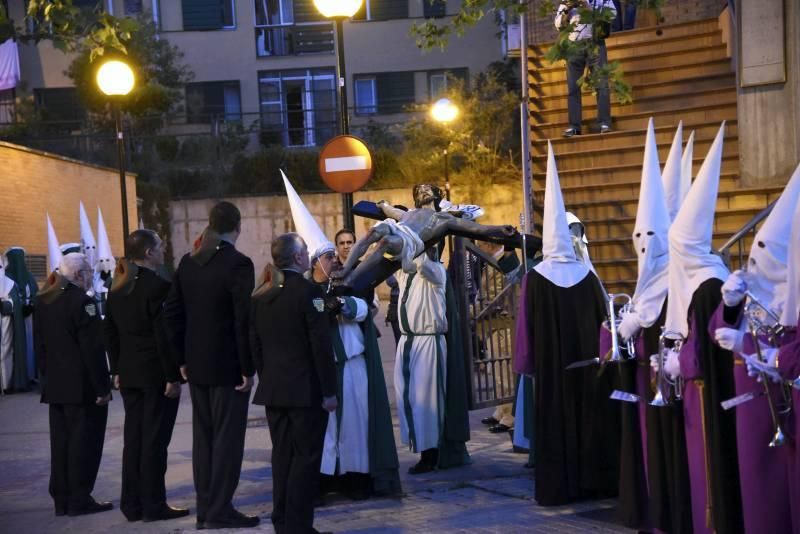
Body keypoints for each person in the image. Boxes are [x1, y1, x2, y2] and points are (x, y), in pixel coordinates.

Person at [281, 176, 400, 500]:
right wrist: (323, 306)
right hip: (323, 369)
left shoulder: (353, 281)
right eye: (329, 255)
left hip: (353, 364)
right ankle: (324, 480)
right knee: (327, 431)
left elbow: (365, 309)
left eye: (336, 254)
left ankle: (357, 478)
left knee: (356, 426)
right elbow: (307, 316)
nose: (336, 259)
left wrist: (344, 304)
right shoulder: (305, 290)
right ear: (315, 261)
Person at [514, 142, 618, 506]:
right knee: (590, 423)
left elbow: (526, 328)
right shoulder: (587, 275)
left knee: (558, 424)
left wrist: (527, 364)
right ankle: (594, 481)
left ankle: (561, 487)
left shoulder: (536, 278)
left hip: (554, 373)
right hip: (588, 371)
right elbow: (605, 322)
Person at [708, 162, 800, 534]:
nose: (757, 257)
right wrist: (729, 303)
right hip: (753, 408)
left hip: (780, 404)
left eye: (766, 250)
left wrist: (746, 343)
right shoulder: (751, 286)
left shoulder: (790, 295)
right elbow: (718, 330)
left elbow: (784, 348)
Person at [611, 119, 692, 532]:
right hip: (645, 385)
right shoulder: (645, 282)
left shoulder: (683, 277)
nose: (643, 242)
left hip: (675, 390)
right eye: (637, 234)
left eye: (650, 234)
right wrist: (626, 328)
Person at [663, 123, 743, 534]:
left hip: (707, 390)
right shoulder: (704, 274)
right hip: (698, 391)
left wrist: (683, 362)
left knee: (712, 468)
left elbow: (707, 340)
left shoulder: (707, 281)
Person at [163, 201, 258, 530]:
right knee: (228, 441)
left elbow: (172, 313)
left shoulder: (188, 263)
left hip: (197, 367)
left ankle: (206, 508)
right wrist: (248, 367)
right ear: (237, 227)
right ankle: (220, 509)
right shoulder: (239, 264)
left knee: (203, 441)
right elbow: (242, 319)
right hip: (229, 368)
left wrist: (181, 360)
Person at [250, 233, 338, 533]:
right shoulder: (308, 292)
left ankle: (282, 520)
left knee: (282, 457)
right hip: (305, 391)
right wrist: (329, 390)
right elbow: (320, 345)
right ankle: (298, 525)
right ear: (299, 258)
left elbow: (256, 345)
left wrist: (267, 377)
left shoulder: (262, 293)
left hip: (275, 389)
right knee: (305, 459)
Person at [104, 230, 189, 523]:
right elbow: (163, 336)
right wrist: (172, 376)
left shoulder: (117, 286)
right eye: (160, 246)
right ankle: (154, 505)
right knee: (154, 442)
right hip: (155, 374)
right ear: (150, 253)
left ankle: (132, 504)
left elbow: (110, 332)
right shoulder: (158, 286)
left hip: (129, 373)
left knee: (134, 440)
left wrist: (116, 369)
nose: (164, 249)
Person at [34, 253, 112, 517]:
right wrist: (102, 388)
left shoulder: (44, 300)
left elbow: (40, 346)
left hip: (56, 387)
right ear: (79, 275)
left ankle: (62, 498)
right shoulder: (83, 302)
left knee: (61, 443)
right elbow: (92, 350)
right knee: (84, 443)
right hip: (82, 389)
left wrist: (47, 378)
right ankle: (79, 498)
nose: (91, 275)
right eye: (88, 271)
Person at [333, 183, 515, 290]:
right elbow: (392, 211)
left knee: (385, 241)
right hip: (400, 228)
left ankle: (351, 279)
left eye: (427, 189)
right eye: (420, 190)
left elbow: (476, 229)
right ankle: (345, 269)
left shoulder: (443, 219)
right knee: (374, 232)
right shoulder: (410, 213)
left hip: (410, 241)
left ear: (435, 196)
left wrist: (499, 229)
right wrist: (383, 206)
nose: (423, 191)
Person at [554, 0, 617, 137]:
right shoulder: (567, 1)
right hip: (573, 44)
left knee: (601, 84)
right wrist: (567, 10)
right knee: (573, 88)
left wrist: (588, 7)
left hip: (595, 43)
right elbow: (559, 25)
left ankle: (604, 123)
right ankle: (574, 126)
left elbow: (612, 14)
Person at [4, 247, 37, 390]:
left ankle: (30, 375)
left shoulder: (29, 277)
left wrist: (31, 306)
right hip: (14, 320)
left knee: (30, 345)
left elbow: (36, 294)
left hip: (29, 319)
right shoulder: (6, 278)